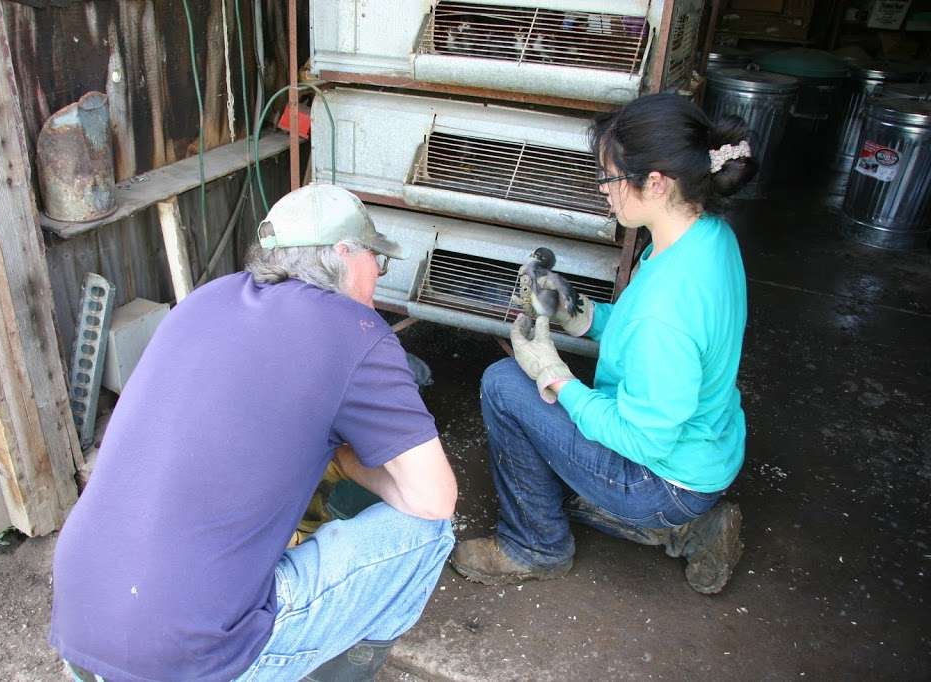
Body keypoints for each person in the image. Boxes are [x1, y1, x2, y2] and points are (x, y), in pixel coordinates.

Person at [50, 184, 458, 682]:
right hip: (190, 661)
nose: (379, 276)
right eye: (379, 261)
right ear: (344, 255)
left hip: (80, 626)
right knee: (427, 535)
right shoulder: (356, 333)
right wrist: (350, 463)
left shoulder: (205, 300)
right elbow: (434, 499)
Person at [450, 93, 757, 595]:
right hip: (705, 455)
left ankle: (534, 545)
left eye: (611, 177)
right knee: (550, 448)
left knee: (505, 384)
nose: (604, 190)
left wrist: (554, 374)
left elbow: (644, 439)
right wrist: (580, 315)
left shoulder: (666, 310)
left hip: (661, 477)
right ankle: (692, 528)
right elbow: (649, 330)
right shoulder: (704, 237)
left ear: (655, 183)